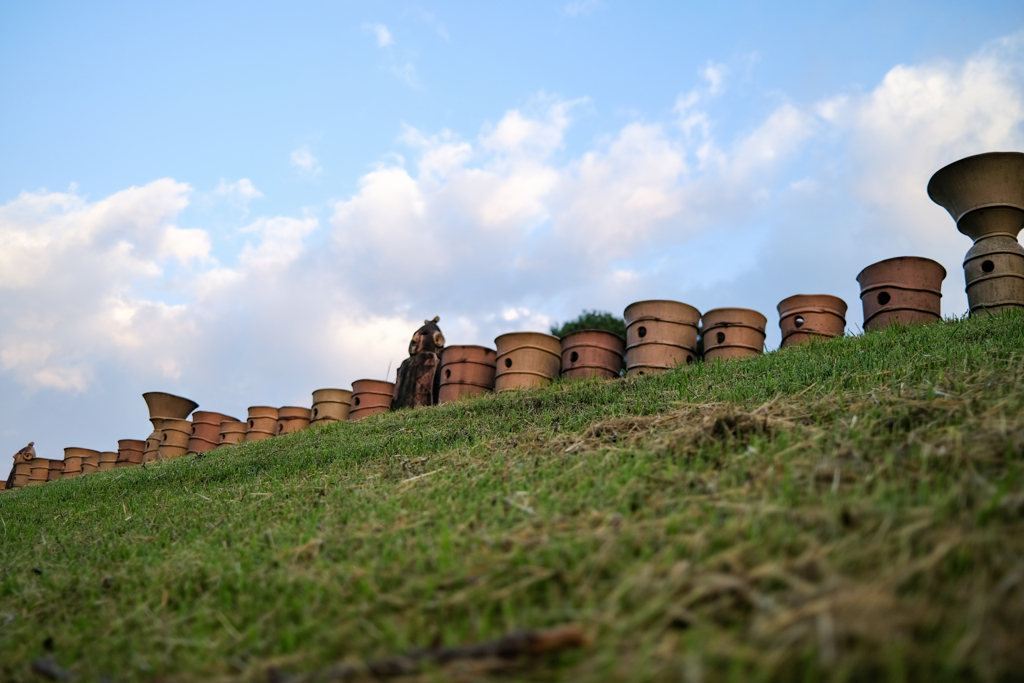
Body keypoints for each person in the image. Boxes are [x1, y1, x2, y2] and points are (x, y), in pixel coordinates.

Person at [392, 317, 445, 410]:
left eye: (423, 334)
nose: (415, 339)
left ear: (437, 339)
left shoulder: (437, 360)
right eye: (415, 335)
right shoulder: (405, 364)